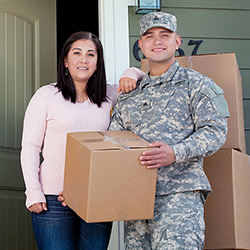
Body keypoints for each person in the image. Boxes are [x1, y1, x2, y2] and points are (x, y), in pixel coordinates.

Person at [109, 12, 229, 249]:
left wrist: (175, 152)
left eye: (165, 35)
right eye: (150, 36)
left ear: (177, 41)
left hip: (180, 198)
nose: (157, 41)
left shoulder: (198, 84)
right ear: (141, 45)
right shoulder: (128, 96)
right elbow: (114, 142)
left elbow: (215, 130)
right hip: (135, 200)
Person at [20, 31, 143, 250]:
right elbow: (30, 147)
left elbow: (145, 78)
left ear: (97, 63)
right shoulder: (46, 96)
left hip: (97, 195)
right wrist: (33, 191)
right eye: (77, 53)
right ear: (66, 61)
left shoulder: (109, 95)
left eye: (91, 54)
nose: (84, 59)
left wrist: (130, 72)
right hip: (52, 199)